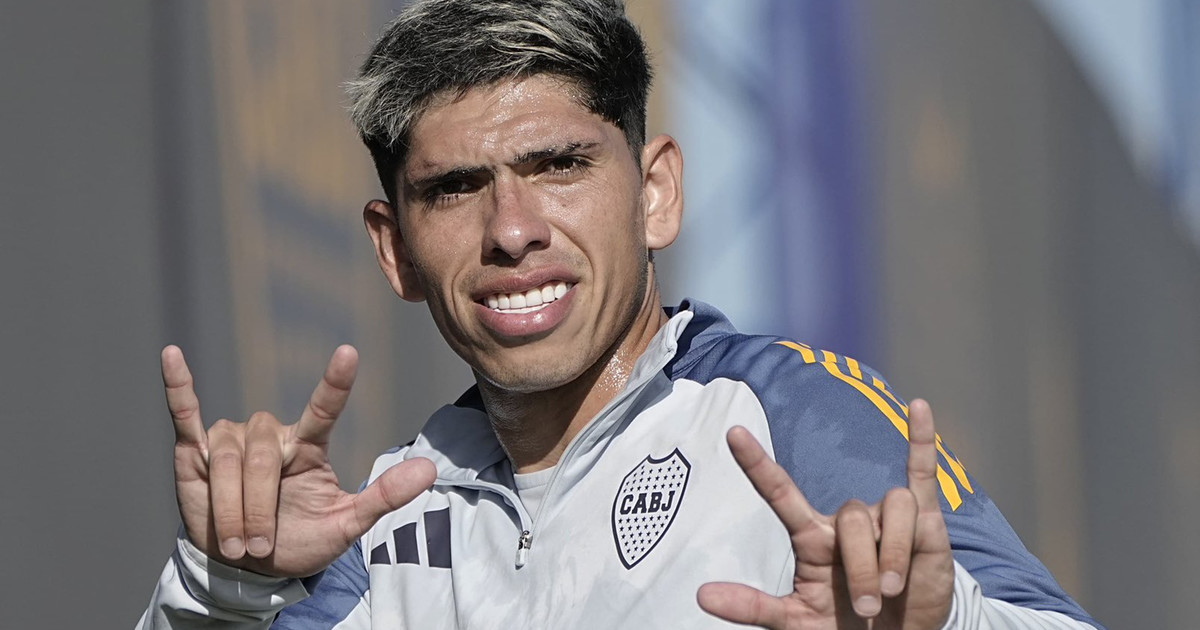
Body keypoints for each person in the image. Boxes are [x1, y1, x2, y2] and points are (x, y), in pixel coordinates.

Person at [138, 1, 1104, 628]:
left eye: (559, 167)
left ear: (655, 194)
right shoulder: (391, 521)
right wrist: (225, 589)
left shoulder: (794, 420)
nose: (512, 230)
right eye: (455, 188)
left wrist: (946, 623)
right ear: (395, 250)